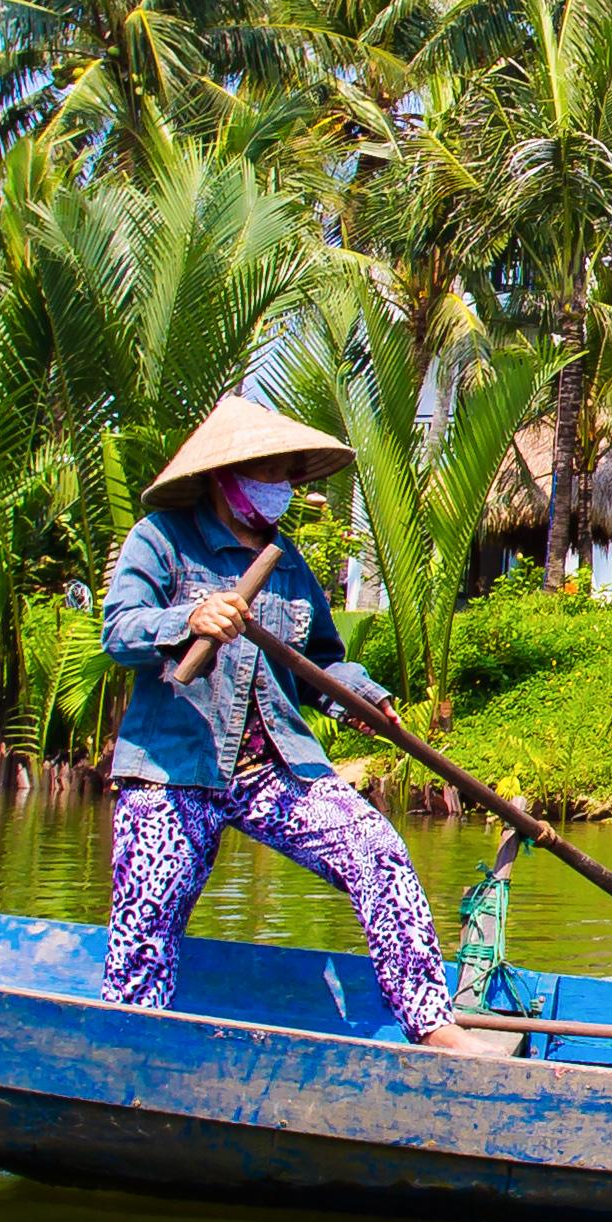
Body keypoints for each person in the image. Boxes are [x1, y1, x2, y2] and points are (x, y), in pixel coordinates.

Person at [94, 397, 522, 1056]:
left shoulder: (286, 560)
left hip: (274, 770)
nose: (280, 484)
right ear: (224, 474)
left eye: (287, 472)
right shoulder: (161, 536)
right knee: (150, 906)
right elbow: (119, 630)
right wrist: (190, 618)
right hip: (175, 767)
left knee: (377, 849)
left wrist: (362, 697)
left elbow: (320, 659)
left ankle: (432, 1022)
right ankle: (130, 1039)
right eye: (266, 469)